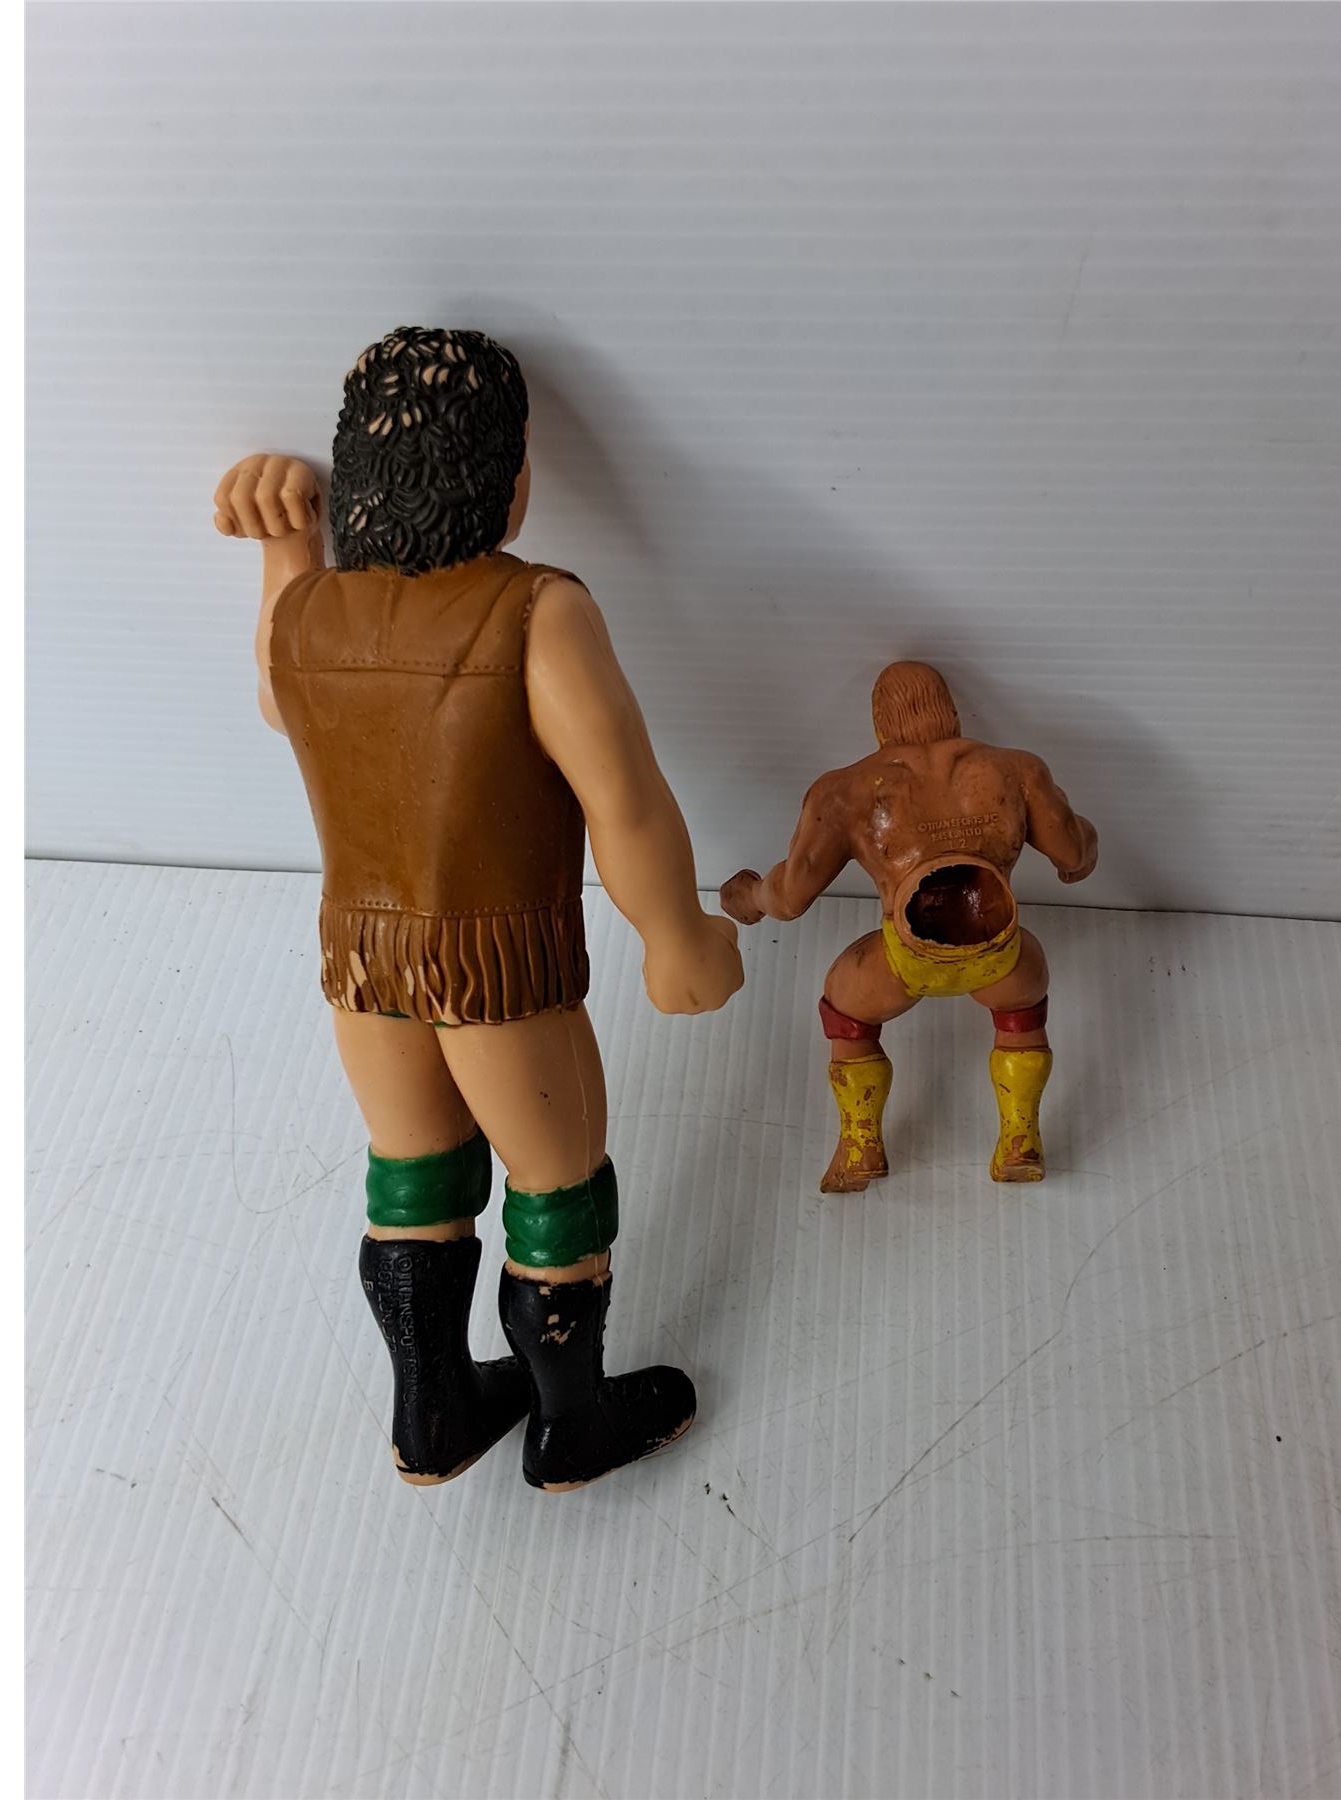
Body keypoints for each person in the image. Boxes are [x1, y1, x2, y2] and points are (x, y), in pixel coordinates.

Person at [214, 327, 741, 1490]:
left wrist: (288, 544)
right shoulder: (535, 611)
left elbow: (278, 699)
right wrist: (675, 934)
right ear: (510, 479)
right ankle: (570, 1423)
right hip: (498, 972)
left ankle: (435, 1411)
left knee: (413, 1180)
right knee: (558, 1185)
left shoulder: (310, 613)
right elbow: (623, 794)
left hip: (363, 966)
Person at [721, 662, 1097, 1192]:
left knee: (845, 1005)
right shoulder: (1017, 769)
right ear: (951, 712)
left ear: (882, 723)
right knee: (1025, 1001)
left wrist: (749, 896)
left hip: (905, 960)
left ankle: (860, 1145)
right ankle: (1020, 1139)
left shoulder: (845, 790)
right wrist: (1086, 840)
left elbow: (789, 898)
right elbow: (1075, 856)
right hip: (1002, 956)